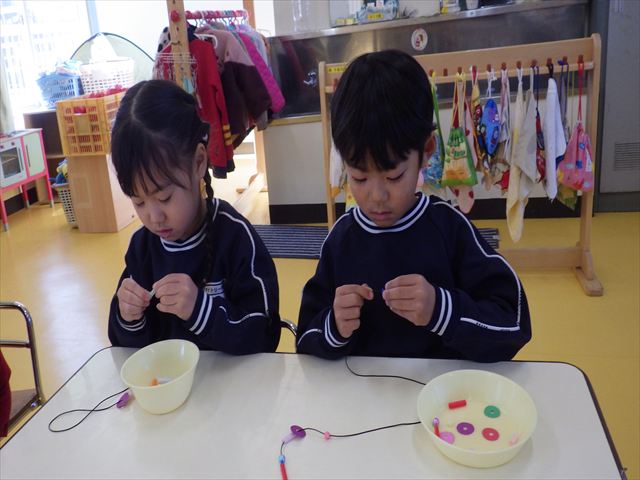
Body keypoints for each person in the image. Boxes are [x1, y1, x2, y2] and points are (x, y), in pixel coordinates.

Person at [297, 51, 531, 362]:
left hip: (442, 390)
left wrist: (441, 310)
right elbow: (305, 339)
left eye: (394, 176)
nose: (377, 196)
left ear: (426, 151)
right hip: (360, 391)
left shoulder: (448, 229)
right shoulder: (342, 240)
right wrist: (334, 327)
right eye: (359, 177)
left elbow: (514, 323)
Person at [108, 80, 280, 354]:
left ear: (199, 162)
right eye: (138, 202)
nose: (154, 217)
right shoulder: (142, 248)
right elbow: (126, 347)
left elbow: (265, 335)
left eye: (164, 198)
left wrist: (201, 311)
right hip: (167, 380)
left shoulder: (235, 237)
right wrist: (128, 316)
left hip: (232, 379)